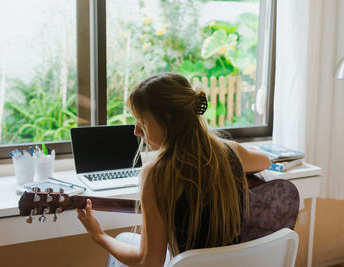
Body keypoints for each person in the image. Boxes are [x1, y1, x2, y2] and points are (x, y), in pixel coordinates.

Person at [76, 73, 271, 267]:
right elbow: (264, 162)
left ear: (168, 119)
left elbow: (149, 263)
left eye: (142, 121)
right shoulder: (230, 152)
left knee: (121, 242)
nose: (136, 130)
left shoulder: (157, 174)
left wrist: (99, 235)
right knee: (126, 238)